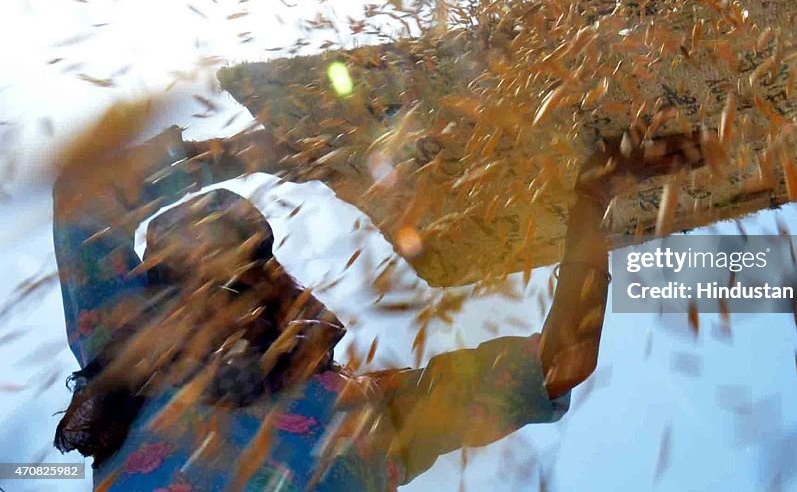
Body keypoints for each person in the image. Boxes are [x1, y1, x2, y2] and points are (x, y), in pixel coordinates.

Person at [51, 122, 702, 491]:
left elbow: (558, 363)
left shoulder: (353, 415)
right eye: (217, 281)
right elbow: (85, 189)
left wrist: (593, 202)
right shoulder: (121, 342)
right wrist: (239, 152)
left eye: (256, 271)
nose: (246, 295)